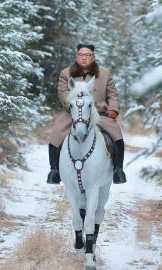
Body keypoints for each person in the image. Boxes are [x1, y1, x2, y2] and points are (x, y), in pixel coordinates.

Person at [47, 43, 127, 185]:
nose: (84, 58)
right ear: (77, 56)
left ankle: (118, 170)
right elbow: (63, 93)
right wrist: (73, 105)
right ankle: (54, 171)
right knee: (56, 135)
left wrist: (113, 109)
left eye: (87, 55)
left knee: (117, 137)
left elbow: (112, 94)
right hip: (73, 113)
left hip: (100, 114)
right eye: (81, 55)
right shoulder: (66, 73)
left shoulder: (105, 73)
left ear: (93, 56)